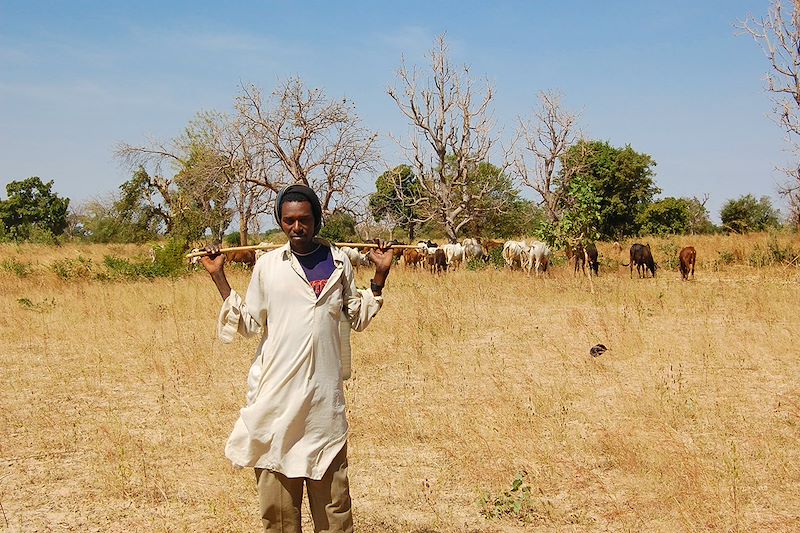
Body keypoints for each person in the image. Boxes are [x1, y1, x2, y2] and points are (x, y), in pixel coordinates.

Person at [200, 184, 393, 533]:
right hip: (277, 404)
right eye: (288, 221)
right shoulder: (268, 267)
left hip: (323, 409)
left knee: (335, 513)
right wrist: (220, 278)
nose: (296, 228)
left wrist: (379, 277)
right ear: (280, 222)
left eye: (304, 219)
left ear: (317, 220)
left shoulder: (338, 262)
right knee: (279, 516)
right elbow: (249, 323)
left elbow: (358, 317)